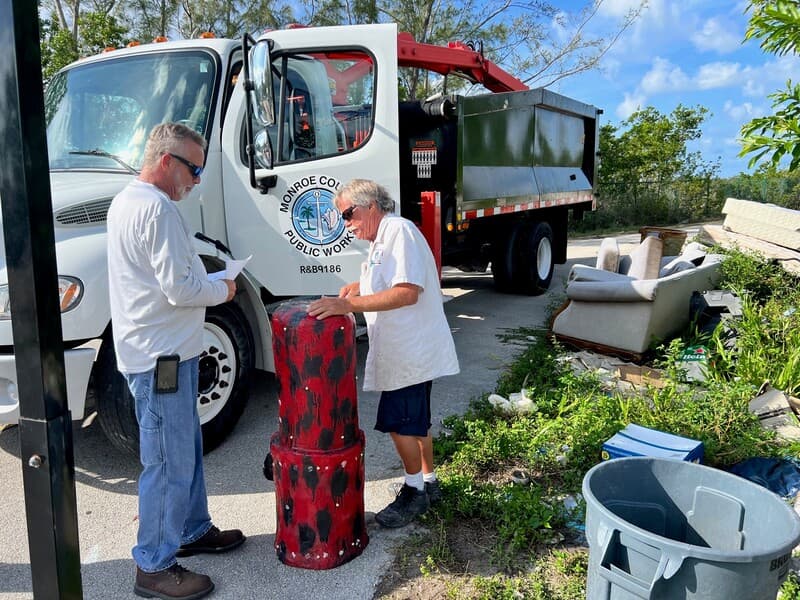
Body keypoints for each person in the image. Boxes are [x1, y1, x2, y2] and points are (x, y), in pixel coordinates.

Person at [107, 123, 245, 600]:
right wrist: (224, 288)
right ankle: (154, 564)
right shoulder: (157, 210)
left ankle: (192, 528)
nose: (198, 179)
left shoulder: (130, 201)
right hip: (161, 357)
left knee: (184, 447)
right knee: (167, 461)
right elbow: (180, 289)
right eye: (194, 167)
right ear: (166, 160)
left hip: (163, 351)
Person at [308, 179, 459, 528]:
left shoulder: (398, 231)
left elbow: (407, 291)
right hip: (408, 349)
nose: (347, 224)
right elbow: (389, 280)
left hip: (408, 350)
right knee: (416, 422)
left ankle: (414, 493)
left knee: (401, 425)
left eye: (348, 214)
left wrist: (347, 303)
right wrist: (358, 286)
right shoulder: (382, 239)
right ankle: (429, 483)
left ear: (371, 205)